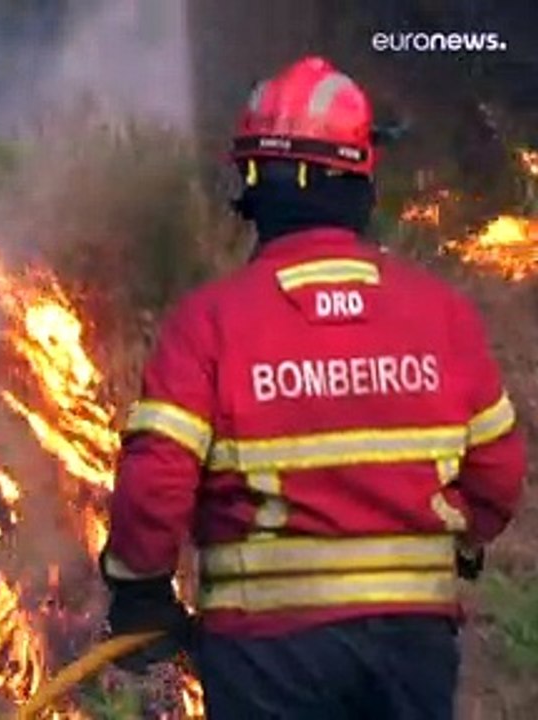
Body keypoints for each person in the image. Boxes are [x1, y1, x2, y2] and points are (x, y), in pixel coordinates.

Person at [99, 56, 527, 720]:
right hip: (411, 648)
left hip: (266, 656)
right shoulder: (442, 314)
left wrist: (140, 591)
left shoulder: (211, 322)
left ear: (252, 186)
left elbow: (157, 478)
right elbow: (498, 471)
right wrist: (460, 542)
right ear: (361, 181)